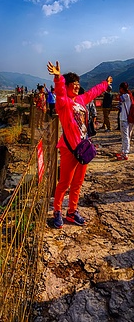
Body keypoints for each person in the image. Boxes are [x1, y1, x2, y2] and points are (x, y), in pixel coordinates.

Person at [46, 61, 111, 228]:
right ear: (67, 86)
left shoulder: (81, 100)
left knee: (77, 183)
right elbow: (60, 93)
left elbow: (93, 92)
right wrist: (58, 78)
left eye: (77, 85)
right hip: (69, 149)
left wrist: (106, 84)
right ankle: (57, 211)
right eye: (73, 85)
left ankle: (72, 212)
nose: (76, 87)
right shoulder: (64, 103)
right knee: (64, 183)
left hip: (83, 148)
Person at [118, 82, 133, 160]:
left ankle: (125, 153)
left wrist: (119, 94)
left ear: (122, 88)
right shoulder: (129, 95)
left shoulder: (125, 96)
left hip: (124, 118)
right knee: (127, 136)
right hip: (129, 118)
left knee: (125, 137)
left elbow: (119, 98)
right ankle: (124, 151)